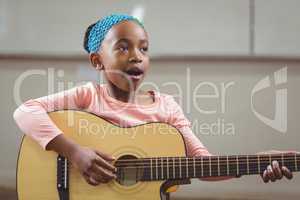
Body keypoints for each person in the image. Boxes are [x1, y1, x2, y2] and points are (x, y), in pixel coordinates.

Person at [13, 14, 294, 186]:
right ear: (97, 61)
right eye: (123, 47)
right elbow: (25, 111)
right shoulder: (88, 96)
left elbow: (203, 165)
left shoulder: (166, 107)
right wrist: (75, 152)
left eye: (144, 48)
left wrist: (258, 162)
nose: (137, 55)